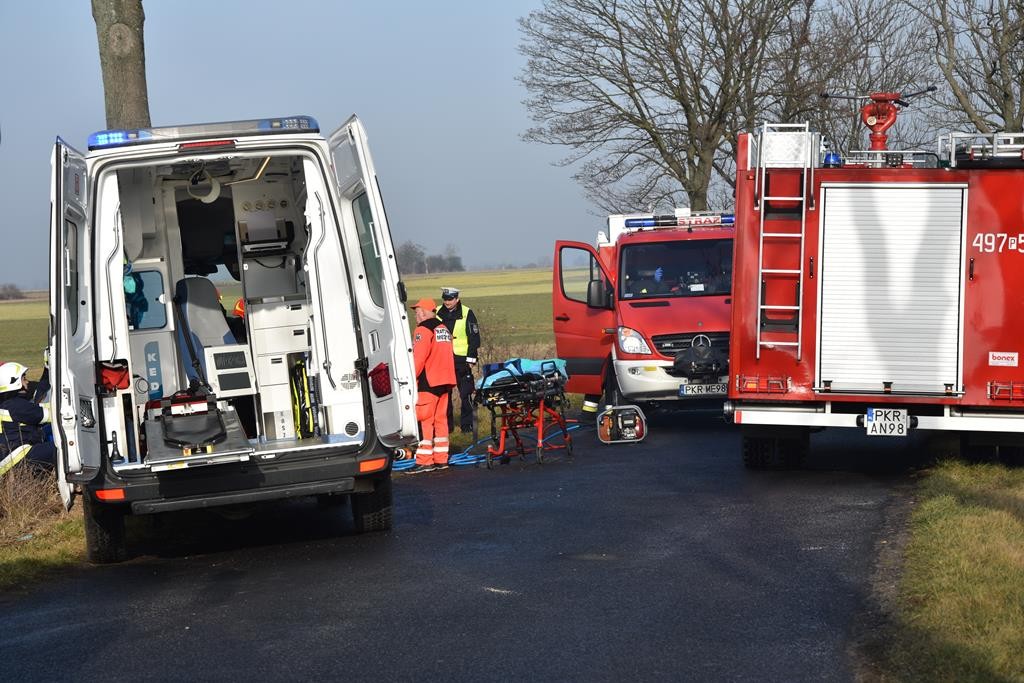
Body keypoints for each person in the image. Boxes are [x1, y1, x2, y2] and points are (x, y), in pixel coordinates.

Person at [409, 298, 457, 473]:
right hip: (445, 381)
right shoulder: (443, 328)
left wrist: (409, 379)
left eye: (416, 312)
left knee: (425, 421)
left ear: (422, 312)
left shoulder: (423, 329)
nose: (416, 316)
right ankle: (441, 459)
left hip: (428, 381)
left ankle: (424, 461)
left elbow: (418, 358)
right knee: (441, 421)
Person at [436, 286, 481, 433]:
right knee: (444, 395)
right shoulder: (436, 312)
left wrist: (471, 358)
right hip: (443, 359)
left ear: (457, 299)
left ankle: (467, 425)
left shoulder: (467, 312)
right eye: (445, 299)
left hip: (461, 360)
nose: (447, 302)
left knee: (466, 393)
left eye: (450, 299)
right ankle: (447, 426)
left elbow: (474, 337)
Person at [0, 362, 55, 474]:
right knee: (62, 447)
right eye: (24, 378)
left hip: (8, 460)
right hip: (18, 457)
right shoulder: (17, 406)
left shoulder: (8, 404)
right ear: (14, 382)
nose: (27, 382)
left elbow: (35, 408)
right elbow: (52, 415)